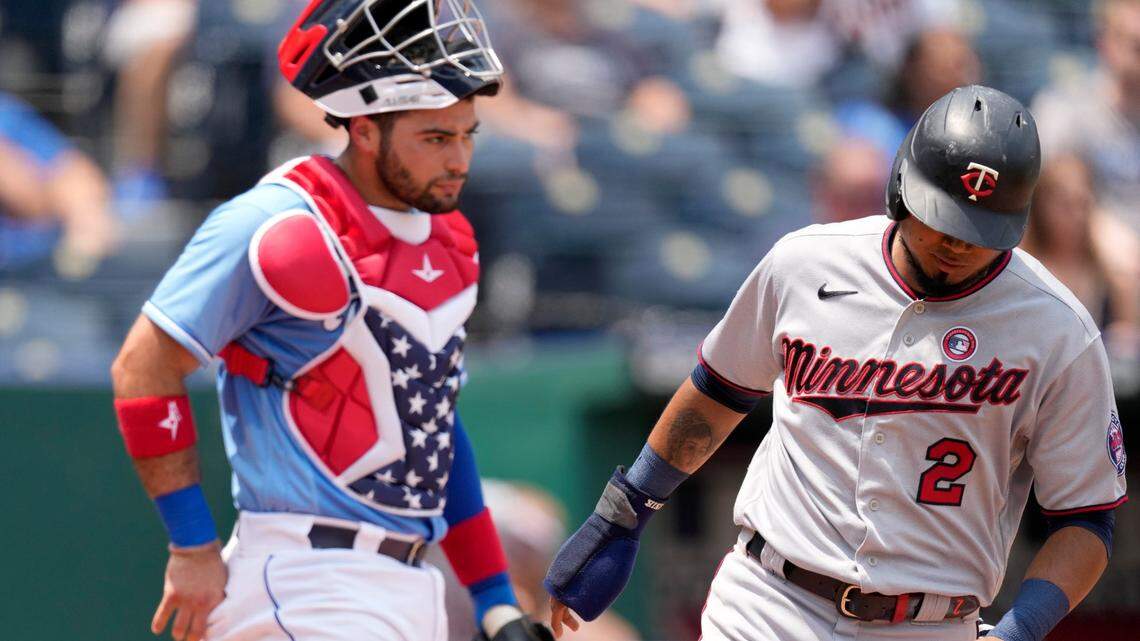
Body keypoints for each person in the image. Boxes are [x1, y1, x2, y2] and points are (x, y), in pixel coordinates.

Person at [544, 85, 1127, 641]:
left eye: (979, 231)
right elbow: (718, 391)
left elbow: (1088, 519)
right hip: (768, 603)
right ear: (902, 184)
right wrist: (625, 511)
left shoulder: (1057, 330)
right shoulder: (805, 263)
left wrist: (1022, 629)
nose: (956, 244)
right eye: (942, 218)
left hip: (931, 622)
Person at [109, 1, 553, 640]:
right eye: (435, 137)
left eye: (466, 134)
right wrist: (191, 545)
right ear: (365, 128)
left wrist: (494, 598)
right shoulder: (275, 225)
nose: (459, 159)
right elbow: (142, 367)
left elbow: (430, 424)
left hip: (411, 584)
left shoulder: (449, 243)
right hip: (302, 576)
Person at [1032, 0, 1140, 234]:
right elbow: (1045, 201)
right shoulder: (1064, 110)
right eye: (1137, 47)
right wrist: (1099, 235)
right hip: (1088, 258)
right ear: (1106, 43)